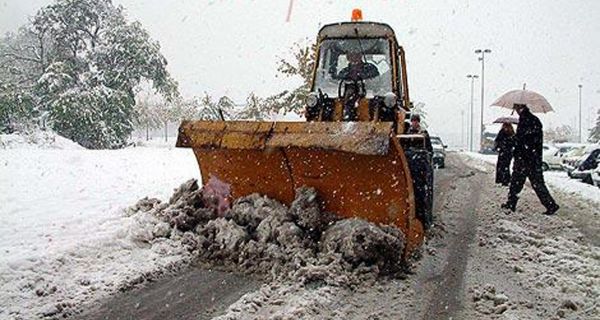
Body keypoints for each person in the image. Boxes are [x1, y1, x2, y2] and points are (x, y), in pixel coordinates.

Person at [501, 104, 559, 215]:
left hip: (526, 159)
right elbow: (528, 139)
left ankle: (511, 203)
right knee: (534, 183)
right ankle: (550, 204)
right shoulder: (531, 120)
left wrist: (515, 139)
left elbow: (525, 140)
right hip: (532, 159)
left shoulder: (527, 121)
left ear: (520, 108)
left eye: (516, 108)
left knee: (518, 182)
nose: (515, 111)